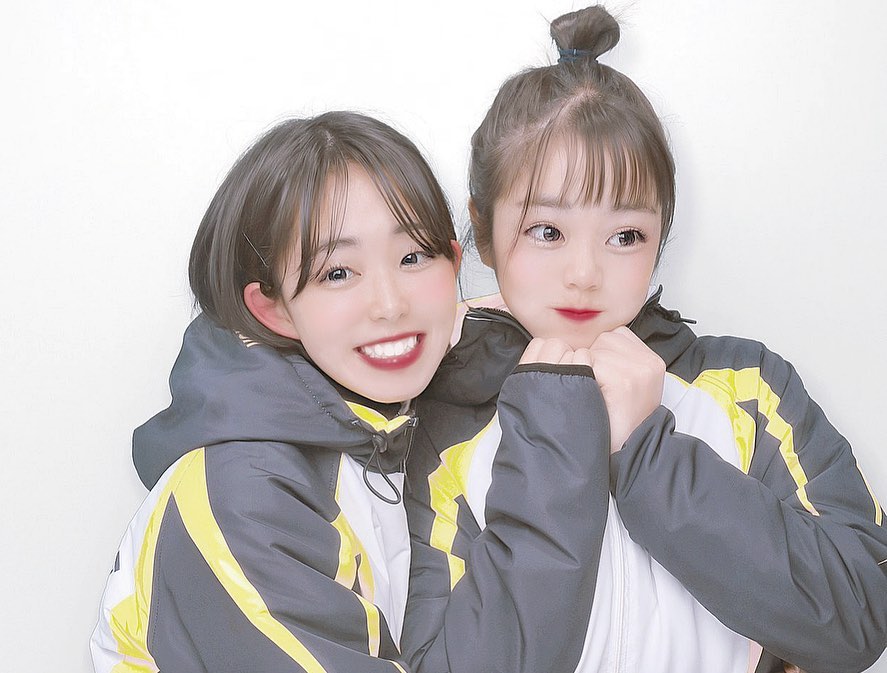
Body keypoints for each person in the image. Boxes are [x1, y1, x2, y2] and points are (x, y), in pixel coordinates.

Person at [403, 6, 887, 673]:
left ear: (660, 236)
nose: (584, 272)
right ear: (484, 232)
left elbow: (858, 617)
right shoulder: (437, 422)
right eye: (547, 231)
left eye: (625, 235)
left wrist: (647, 453)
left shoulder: (748, 386)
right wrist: (553, 430)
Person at [89, 111, 611, 673]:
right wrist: (561, 439)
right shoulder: (240, 493)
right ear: (272, 307)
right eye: (337, 273)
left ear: (453, 265)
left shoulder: (389, 433)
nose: (390, 304)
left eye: (413, 257)